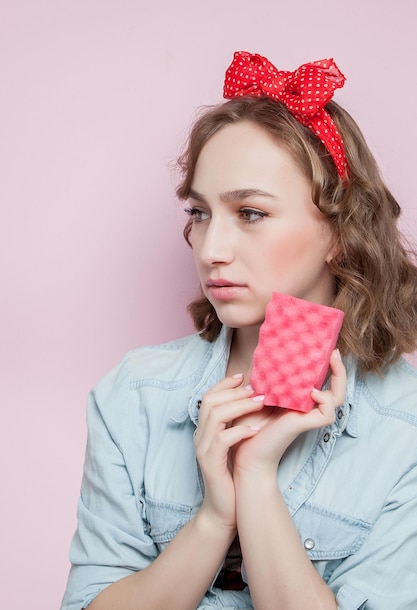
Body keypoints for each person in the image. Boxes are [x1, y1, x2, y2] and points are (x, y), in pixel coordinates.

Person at [61, 51, 417, 610]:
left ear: (340, 232)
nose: (211, 250)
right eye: (200, 213)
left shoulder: (405, 424)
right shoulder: (134, 393)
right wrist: (212, 521)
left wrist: (255, 477)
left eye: (250, 213)